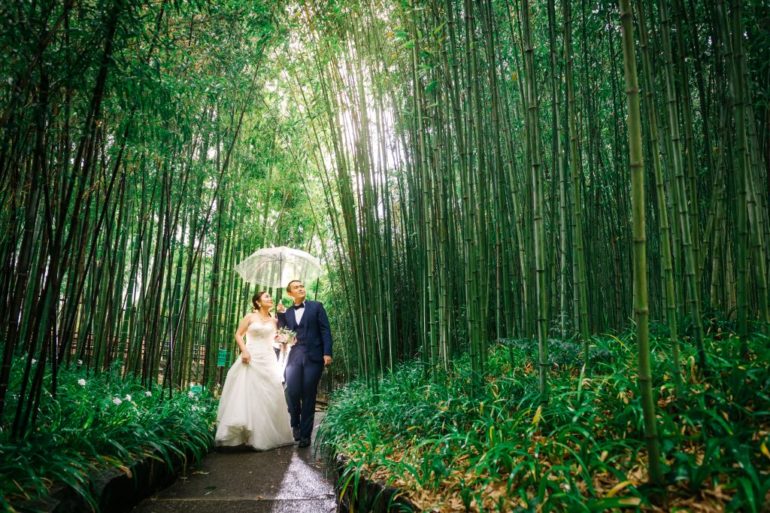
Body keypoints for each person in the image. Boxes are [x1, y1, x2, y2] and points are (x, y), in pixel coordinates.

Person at [215, 291, 294, 450]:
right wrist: (244, 351)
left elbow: (274, 341)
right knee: (247, 393)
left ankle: (264, 435)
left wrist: (284, 341)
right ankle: (243, 435)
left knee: (269, 394)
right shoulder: (250, 317)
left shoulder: (274, 320)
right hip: (251, 356)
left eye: (270, 296)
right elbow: (238, 334)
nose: (270, 298)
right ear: (258, 302)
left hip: (268, 358)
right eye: (266, 297)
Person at [277, 280, 333, 448]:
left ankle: (306, 435)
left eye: (301, 285)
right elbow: (282, 334)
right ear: (289, 293)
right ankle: (295, 424)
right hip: (294, 356)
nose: (300, 288)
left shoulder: (317, 306)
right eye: (296, 287)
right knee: (292, 392)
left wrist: (327, 352)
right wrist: (280, 315)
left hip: (314, 357)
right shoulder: (286, 312)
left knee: (309, 395)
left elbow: (325, 330)